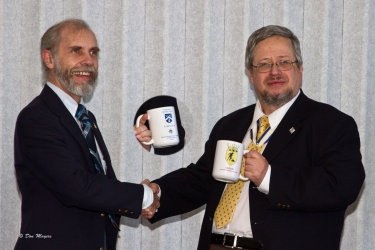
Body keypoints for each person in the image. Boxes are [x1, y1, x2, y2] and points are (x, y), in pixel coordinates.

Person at [143, 25, 365, 250]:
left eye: (284, 62)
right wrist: (158, 192)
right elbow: (202, 179)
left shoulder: (332, 124)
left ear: (300, 69)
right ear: (250, 74)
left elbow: (342, 187)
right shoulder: (230, 125)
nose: (275, 72)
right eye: (264, 65)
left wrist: (269, 178)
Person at [14, 19, 158, 250]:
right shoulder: (37, 118)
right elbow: (78, 188)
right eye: (76, 51)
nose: (88, 61)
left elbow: (100, 188)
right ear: (49, 59)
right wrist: (143, 196)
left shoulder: (85, 118)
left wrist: (139, 198)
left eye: (93, 52)